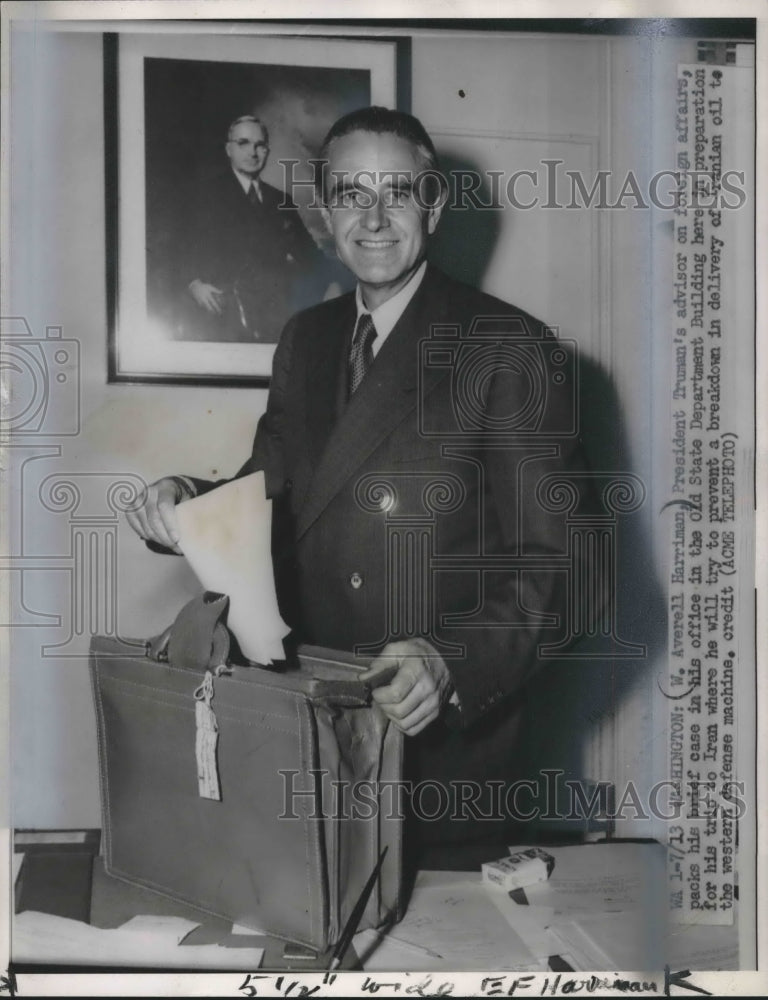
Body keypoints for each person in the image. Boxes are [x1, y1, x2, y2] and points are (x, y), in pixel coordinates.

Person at [128, 107, 599, 856]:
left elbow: (569, 569)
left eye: (397, 193)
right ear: (324, 208)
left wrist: (452, 660)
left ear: (434, 205)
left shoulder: (507, 347)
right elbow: (269, 488)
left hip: (438, 754)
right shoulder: (307, 340)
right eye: (350, 194)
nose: (374, 218)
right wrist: (185, 500)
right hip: (306, 722)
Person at [176, 115, 330, 343]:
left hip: (271, 317)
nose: (253, 152)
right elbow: (176, 249)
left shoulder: (280, 200)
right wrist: (193, 284)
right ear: (229, 149)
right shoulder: (204, 194)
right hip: (218, 315)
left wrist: (335, 282)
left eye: (260, 145)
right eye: (243, 143)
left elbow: (310, 256)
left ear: (267, 151)